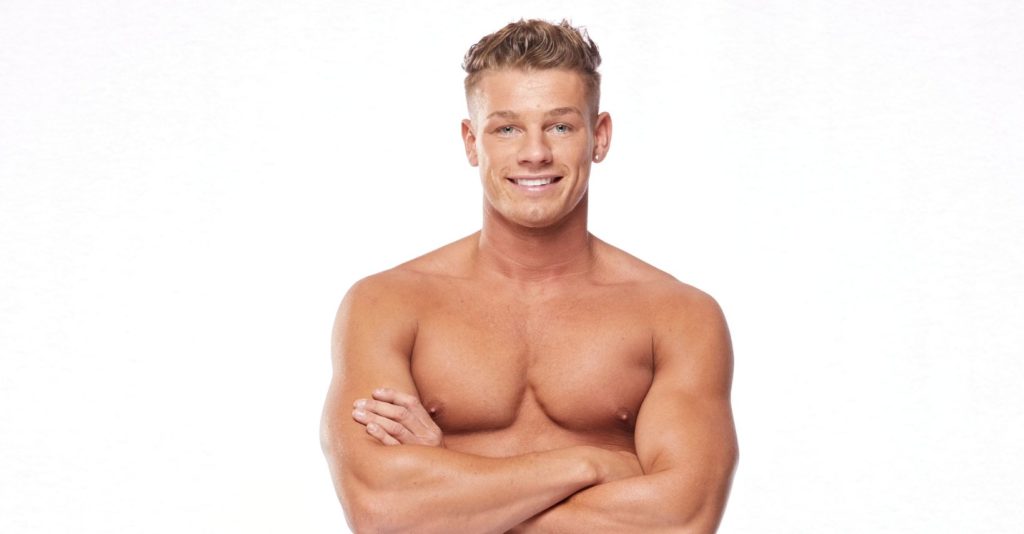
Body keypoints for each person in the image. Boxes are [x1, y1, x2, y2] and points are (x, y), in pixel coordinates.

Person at [320, 19, 738, 533]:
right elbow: (381, 512)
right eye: (506, 128)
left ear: (599, 136)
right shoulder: (388, 305)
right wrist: (593, 463)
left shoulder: (677, 316)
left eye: (560, 126)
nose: (535, 153)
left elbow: (681, 521)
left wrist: (450, 485)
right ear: (472, 142)